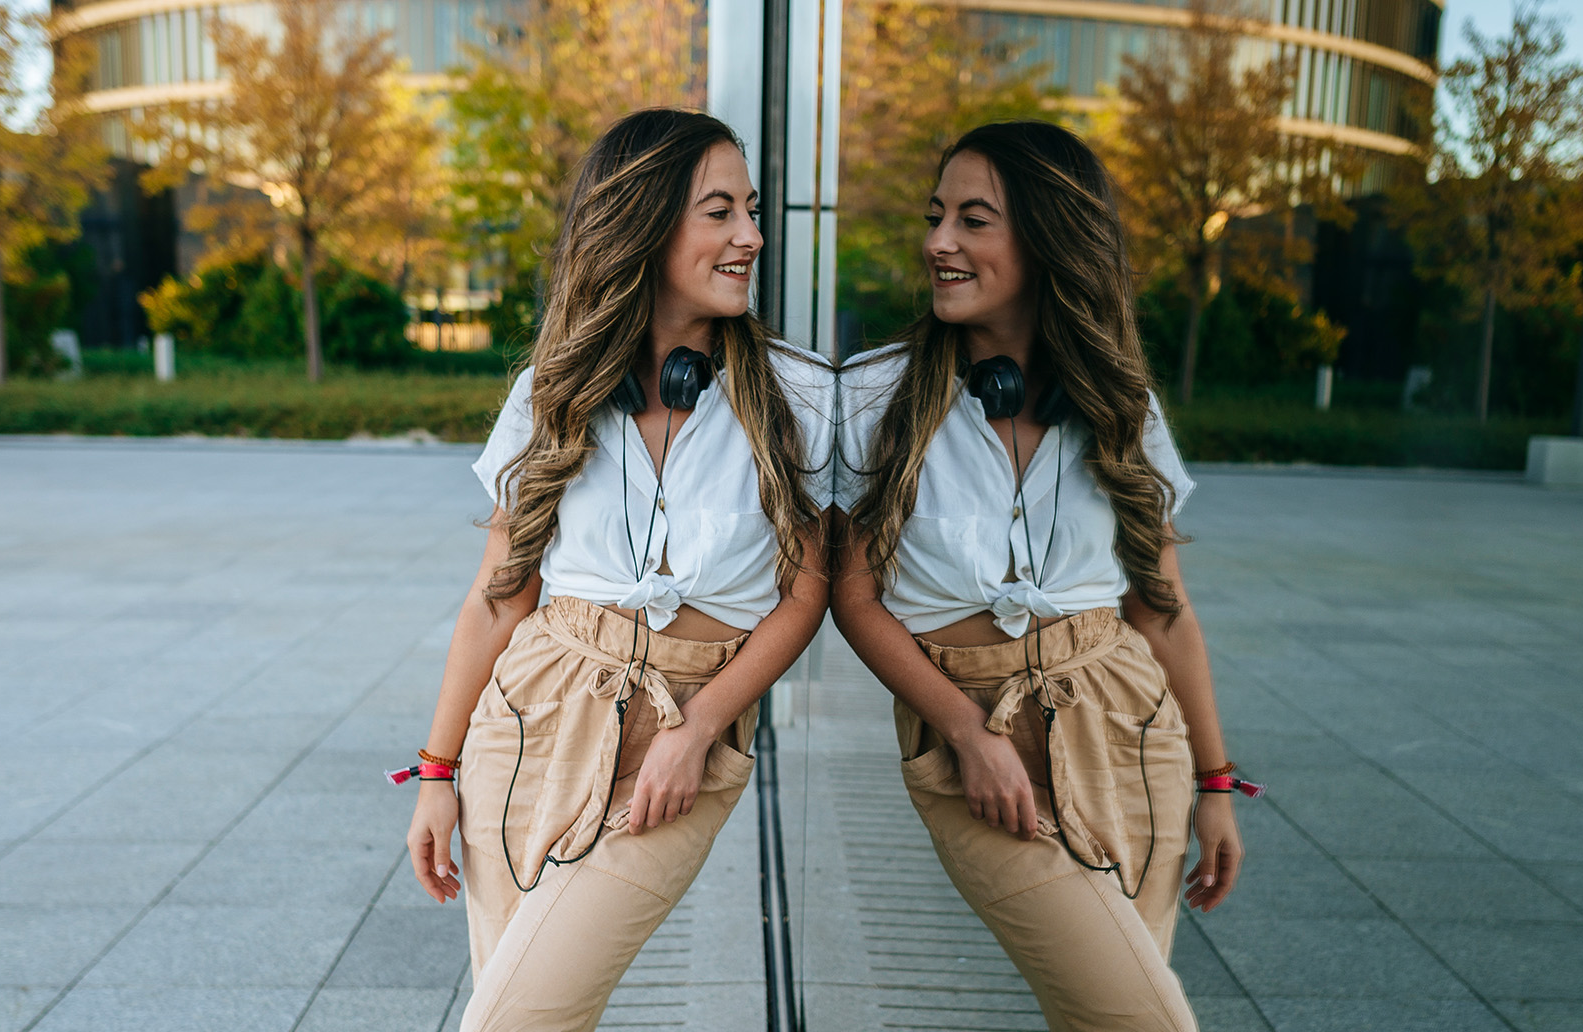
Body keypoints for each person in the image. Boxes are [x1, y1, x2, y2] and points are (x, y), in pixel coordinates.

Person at [404, 108, 832, 1031]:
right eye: (720, 212)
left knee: (512, 1020)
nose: (751, 237)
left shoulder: (792, 397)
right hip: (527, 723)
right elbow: (500, 594)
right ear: (643, 224)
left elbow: (808, 591)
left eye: (751, 211)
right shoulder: (551, 391)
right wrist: (436, 772)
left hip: (683, 737)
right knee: (526, 1007)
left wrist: (703, 723)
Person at [831, 121, 1244, 1032]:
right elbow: (852, 599)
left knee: (1104, 1012)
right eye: (937, 216)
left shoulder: (1117, 401)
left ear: (1048, 238)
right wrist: (966, 732)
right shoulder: (874, 393)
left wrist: (1216, 785)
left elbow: (1161, 608)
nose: (940, 242)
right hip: (975, 737)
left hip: (1131, 730)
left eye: (973, 220)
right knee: (1145, 1020)